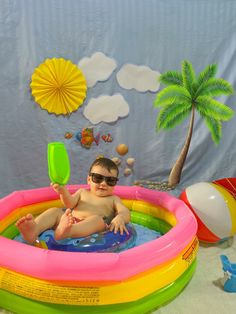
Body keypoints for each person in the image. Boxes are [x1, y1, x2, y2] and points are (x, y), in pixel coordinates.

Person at [16, 157, 131, 244]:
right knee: (54, 211)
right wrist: (63, 192)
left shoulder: (113, 199)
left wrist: (120, 217)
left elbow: (125, 212)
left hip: (92, 227)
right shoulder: (82, 192)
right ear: (89, 180)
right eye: (98, 178)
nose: (103, 183)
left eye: (110, 180)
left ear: (115, 184)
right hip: (70, 221)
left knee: (97, 220)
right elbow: (69, 203)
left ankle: (68, 232)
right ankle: (34, 229)